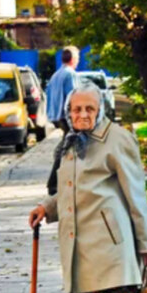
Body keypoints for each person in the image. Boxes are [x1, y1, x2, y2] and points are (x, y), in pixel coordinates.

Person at [28, 82, 147, 293]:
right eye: (77, 109)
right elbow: (72, 190)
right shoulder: (73, 142)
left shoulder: (117, 139)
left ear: (100, 110)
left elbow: (136, 195)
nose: (82, 114)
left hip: (112, 244)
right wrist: (46, 208)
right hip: (81, 245)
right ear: (69, 112)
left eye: (89, 108)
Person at [45, 46, 79, 195]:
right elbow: (73, 98)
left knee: (66, 146)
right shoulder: (70, 74)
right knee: (68, 147)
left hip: (56, 116)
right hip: (66, 117)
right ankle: (53, 183)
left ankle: (61, 181)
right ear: (73, 59)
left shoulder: (56, 75)